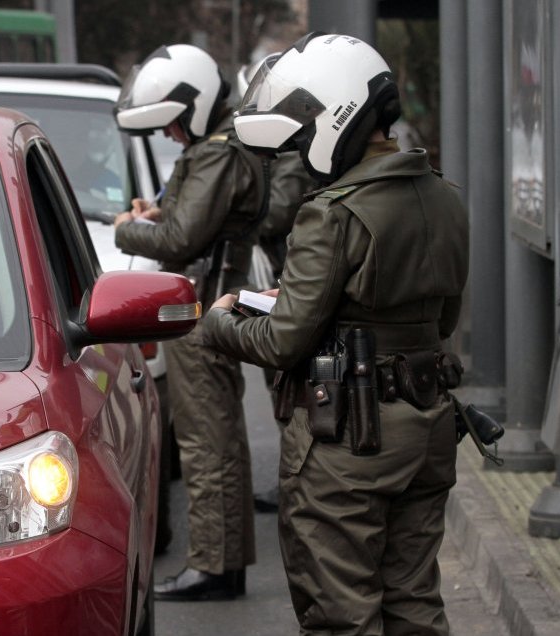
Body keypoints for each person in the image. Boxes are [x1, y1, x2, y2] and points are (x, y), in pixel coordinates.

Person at [204, 33, 469, 635]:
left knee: (339, 614)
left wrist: (221, 321)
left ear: (333, 114)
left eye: (300, 138)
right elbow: (440, 322)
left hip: (349, 443)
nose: (300, 153)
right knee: (415, 604)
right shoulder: (446, 199)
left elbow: (282, 343)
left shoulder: (332, 211)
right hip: (427, 430)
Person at [112, 43, 267, 601]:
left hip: (201, 313)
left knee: (207, 444)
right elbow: (188, 223)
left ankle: (214, 567)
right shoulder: (221, 148)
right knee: (216, 440)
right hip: (209, 307)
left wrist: (128, 227)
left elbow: (182, 238)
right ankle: (222, 564)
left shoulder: (218, 154)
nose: (170, 136)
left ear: (195, 108)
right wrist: (159, 216)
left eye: (174, 124)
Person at [235, 55, 318, 514]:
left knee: (287, 387)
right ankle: (293, 484)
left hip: (287, 274)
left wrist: (244, 215)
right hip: (283, 273)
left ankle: (295, 485)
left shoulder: (289, 156)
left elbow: (280, 210)